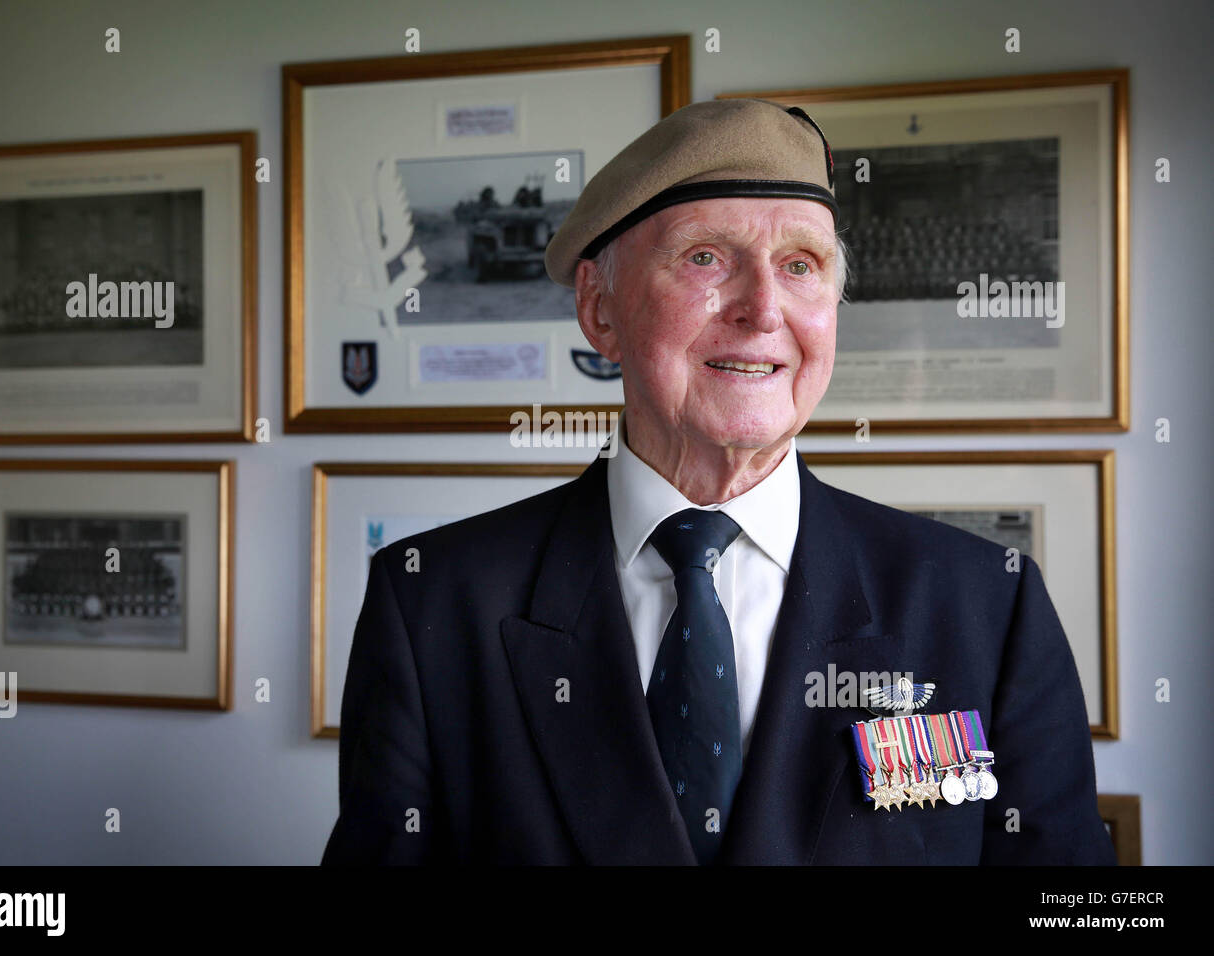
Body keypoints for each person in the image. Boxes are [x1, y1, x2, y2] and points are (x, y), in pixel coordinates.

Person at [322, 98, 1115, 865]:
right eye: (706, 258)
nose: (764, 309)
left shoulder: (985, 604)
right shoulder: (434, 601)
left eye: (800, 265)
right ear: (600, 312)